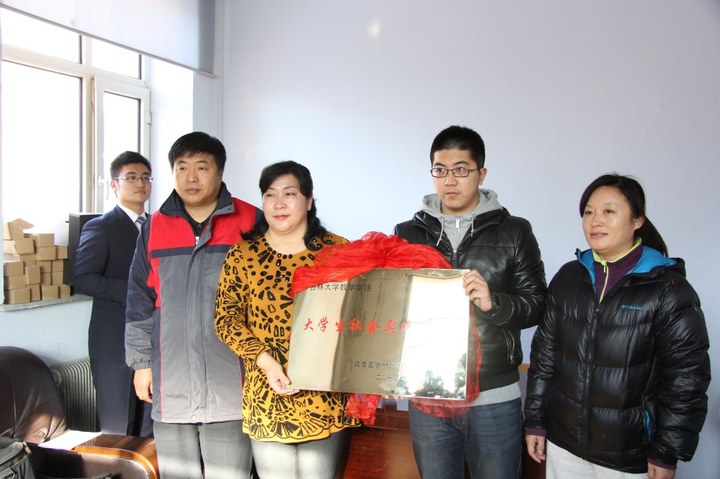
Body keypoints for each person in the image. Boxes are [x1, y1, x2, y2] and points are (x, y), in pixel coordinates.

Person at [524, 174, 710, 479]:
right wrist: (535, 420)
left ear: (637, 220)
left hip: (628, 454)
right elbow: (544, 357)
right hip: (563, 444)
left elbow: (686, 377)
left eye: (609, 211)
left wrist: (666, 450)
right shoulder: (569, 278)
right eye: (588, 212)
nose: (596, 221)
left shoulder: (667, 289)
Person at [393, 125, 547, 479]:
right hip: (427, 393)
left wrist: (494, 303)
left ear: (482, 173)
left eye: (461, 169)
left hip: (494, 394)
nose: (450, 180)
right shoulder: (407, 233)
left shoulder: (515, 231)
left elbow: (537, 304)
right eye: (440, 170)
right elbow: (393, 307)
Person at [125, 132, 261, 479]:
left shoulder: (250, 221)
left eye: (202, 167)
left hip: (233, 380)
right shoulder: (154, 226)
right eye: (182, 168)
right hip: (171, 379)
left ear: (220, 172)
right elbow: (140, 300)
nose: (191, 177)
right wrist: (141, 364)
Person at [215, 160, 359, 479]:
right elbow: (226, 320)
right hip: (267, 391)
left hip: (323, 393)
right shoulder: (242, 255)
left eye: (290, 193)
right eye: (270, 194)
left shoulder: (338, 251)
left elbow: (359, 315)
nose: (279, 203)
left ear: (308, 201)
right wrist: (266, 362)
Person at [73, 151, 154, 436]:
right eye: (131, 177)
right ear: (114, 185)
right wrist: (135, 292)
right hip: (113, 342)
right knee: (118, 426)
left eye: (145, 177)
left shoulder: (158, 226)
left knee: (150, 425)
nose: (140, 183)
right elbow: (82, 278)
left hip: (152, 341)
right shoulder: (101, 227)